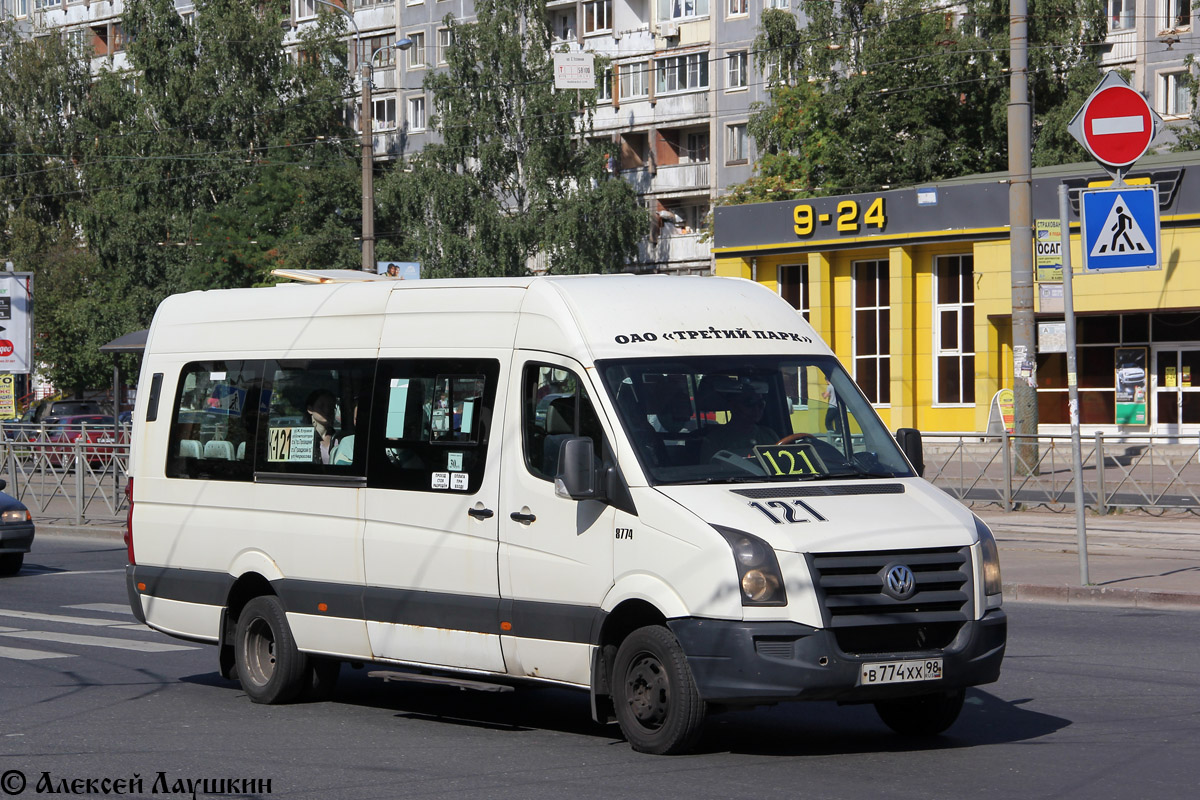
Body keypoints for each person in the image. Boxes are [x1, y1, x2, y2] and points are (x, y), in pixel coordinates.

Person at [700, 381, 778, 459]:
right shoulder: (715, 440)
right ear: (732, 405)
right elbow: (711, 469)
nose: (756, 409)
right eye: (749, 403)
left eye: (761, 404)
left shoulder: (769, 435)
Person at [304, 389, 339, 465]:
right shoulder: (302, 439)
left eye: (331, 406)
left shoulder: (340, 439)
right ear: (310, 409)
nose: (327, 410)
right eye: (321, 406)